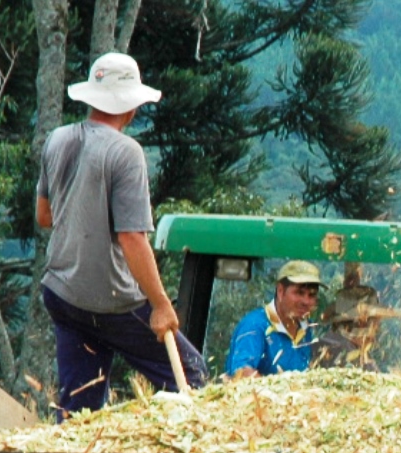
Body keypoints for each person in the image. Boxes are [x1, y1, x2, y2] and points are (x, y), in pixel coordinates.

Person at [35, 52, 207, 420]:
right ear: (131, 108)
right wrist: (160, 304)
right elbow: (132, 238)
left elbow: (44, 215)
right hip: (110, 300)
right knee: (193, 377)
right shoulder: (126, 152)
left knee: (80, 405)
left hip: (62, 292)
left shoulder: (56, 139)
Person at [225, 260, 326, 378]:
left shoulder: (307, 327)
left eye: (312, 295)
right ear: (280, 291)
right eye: (299, 293)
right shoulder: (255, 325)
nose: (306, 301)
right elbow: (242, 373)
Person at [312, 285, 400, 372]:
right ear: (362, 322)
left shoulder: (343, 344)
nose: (377, 328)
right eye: (375, 321)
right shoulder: (341, 351)